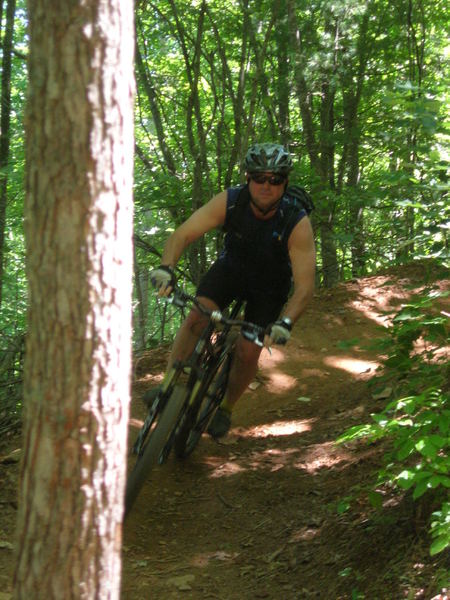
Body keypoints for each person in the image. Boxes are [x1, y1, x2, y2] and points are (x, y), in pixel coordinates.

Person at [150, 142, 316, 438]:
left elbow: (305, 287)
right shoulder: (230, 201)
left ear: (285, 182)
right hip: (232, 268)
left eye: (275, 179)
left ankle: (226, 407)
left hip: (271, 285)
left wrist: (286, 322)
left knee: (248, 349)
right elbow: (182, 234)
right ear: (248, 178)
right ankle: (167, 386)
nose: (267, 186)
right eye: (259, 178)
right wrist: (166, 267)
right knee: (196, 319)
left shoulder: (296, 221)